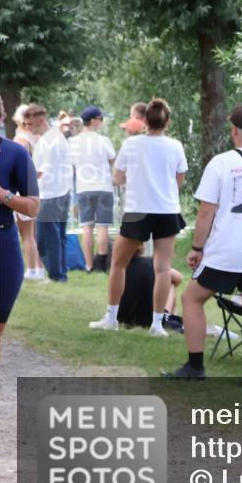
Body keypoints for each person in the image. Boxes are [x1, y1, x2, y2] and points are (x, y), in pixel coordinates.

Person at [163, 105, 242, 386]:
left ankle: (195, 367)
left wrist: (196, 248)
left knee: (191, 299)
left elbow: (207, 211)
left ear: (233, 131)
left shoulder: (221, 163)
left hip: (226, 251)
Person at [90, 98, 187, 336]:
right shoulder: (176, 146)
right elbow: (180, 179)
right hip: (167, 210)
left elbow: (118, 178)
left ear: (144, 121)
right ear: (168, 122)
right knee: (163, 268)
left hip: (137, 210)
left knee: (118, 263)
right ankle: (156, 324)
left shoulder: (132, 144)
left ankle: (111, 317)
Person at [0, 93, 40, 359]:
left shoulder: (15, 153)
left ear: (0, 117)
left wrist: (3, 195)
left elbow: (33, 206)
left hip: (2, 247)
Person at [28, 104, 72, 283]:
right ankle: (59, 273)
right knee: (57, 236)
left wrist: (23, 181)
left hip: (50, 194)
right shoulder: (52, 137)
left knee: (46, 238)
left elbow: (43, 170)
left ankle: (56, 275)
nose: (28, 128)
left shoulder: (50, 140)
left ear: (40, 120)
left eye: (30, 124)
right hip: (60, 192)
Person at [69, 106, 116, 272]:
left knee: (87, 227)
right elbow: (112, 161)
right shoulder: (103, 140)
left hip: (83, 187)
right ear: (94, 120)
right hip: (103, 187)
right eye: (101, 119)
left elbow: (71, 167)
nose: (102, 122)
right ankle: (101, 265)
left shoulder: (73, 142)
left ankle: (89, 265)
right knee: (102, 226)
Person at [117, 243, 183, 328]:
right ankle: (168, 314)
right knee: (170, 283)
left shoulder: (118, 270)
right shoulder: (152, 263)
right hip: (151, 318)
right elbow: (179, 278)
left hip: (124, 317)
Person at [11, 105, 43, 280]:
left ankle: (31, 269)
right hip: (36, 187)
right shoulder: (36, 137)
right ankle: (37, 268)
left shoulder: (20, 139)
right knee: (32, 233)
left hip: (23, 188)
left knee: (26, 234)